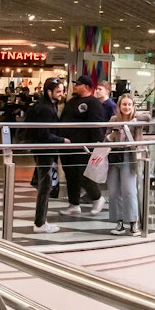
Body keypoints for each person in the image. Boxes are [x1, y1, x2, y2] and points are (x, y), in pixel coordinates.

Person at [60, 76, 107, 217]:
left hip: (84, 148)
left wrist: (96, 147)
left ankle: (97, 197)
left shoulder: (93, 104)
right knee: (70, 175)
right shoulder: (72, 101)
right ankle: (74, 204)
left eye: (78, 84)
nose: (75, 86)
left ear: (86, 86)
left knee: (83, 175)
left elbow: (97, 127)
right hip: (68, 147)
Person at [26, 77, 64, 234]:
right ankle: (40, 223)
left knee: (45, 184)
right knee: (45, 186)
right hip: (45, 152)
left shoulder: (45, 106)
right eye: (58, 91)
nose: (61, 94)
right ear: (49, 92)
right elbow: (44, 134)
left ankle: (41, 221)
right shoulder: (46, 109)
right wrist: (62, 140)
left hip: (43, 151)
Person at [106, 93, 143, 234]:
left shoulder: (136, 121)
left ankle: (133, 222)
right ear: (119, 106)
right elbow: (106, 139)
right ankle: (119, 222)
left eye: (129, 104)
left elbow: (139, 141)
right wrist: (111, 136)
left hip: (128, 156)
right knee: (114, 191)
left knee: (129, 190)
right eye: (124, 104)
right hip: (114, 157)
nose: (126, 107)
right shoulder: (113, 119)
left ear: (133, 106)